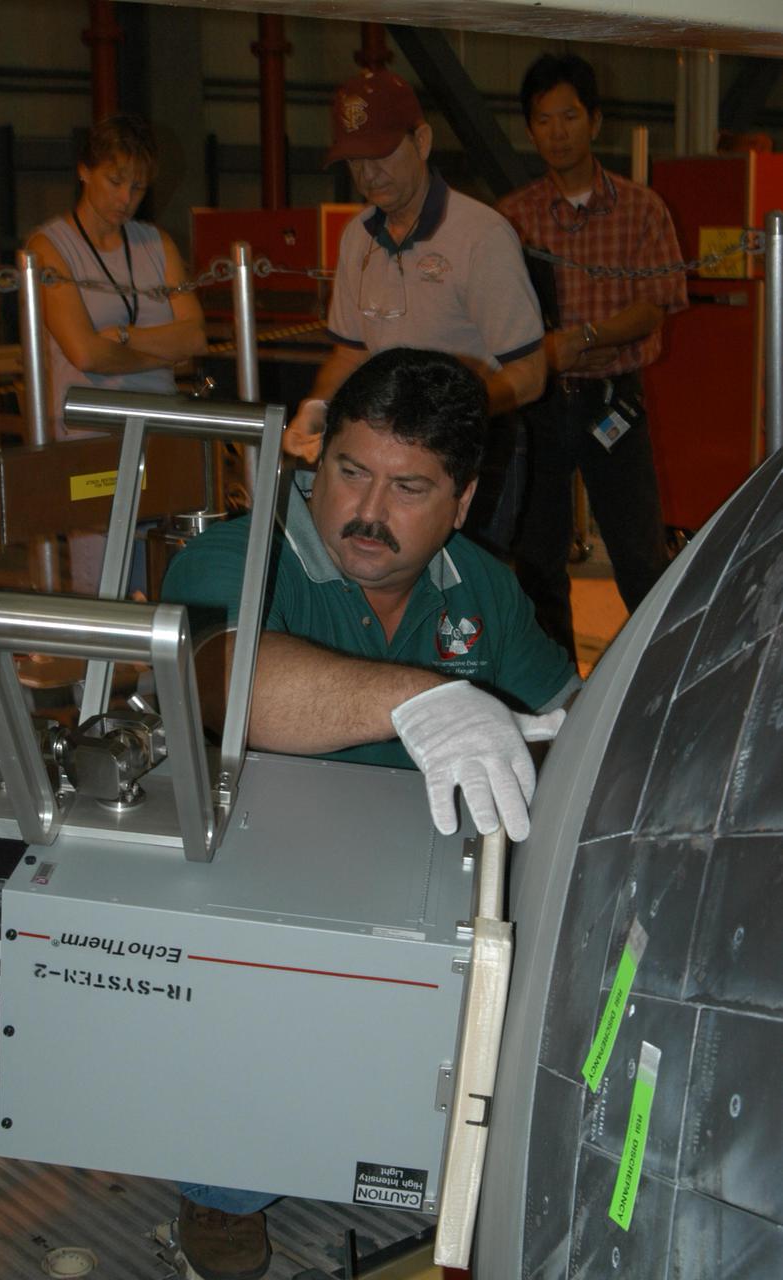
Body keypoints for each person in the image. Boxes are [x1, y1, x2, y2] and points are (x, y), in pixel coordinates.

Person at [161, 347, 579, 1280]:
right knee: (256, 1039)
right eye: (350, 472)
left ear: (463, 501)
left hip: (423, 875)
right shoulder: (240, 553)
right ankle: (217, 1188)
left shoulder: (482, 588)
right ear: (318, 462)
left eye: (410, 487)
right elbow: (224, 679)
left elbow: (564, 714)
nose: (369, 514)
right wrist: (416, 700)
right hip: (263, 883)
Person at [282, 68, 546, 550]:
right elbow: (350, 354)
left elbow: (529, 372)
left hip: (475, 453)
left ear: (422, 141)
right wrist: (319, 409)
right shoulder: (356, 236)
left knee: (469, 601)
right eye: (355, 161)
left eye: (381, 154)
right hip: (389, 456)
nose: (368, 173)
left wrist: (446, 418)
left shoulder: (481, 237)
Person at [499, 53, 688, 662]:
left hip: (614, 402)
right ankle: (555, 689)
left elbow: (653, 306)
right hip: (540, 406)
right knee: (537, 556)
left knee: (638, 553)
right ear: (531, 131)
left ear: (595, 121)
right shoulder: (512, 218)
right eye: (544, 120)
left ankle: (658, 675)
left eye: (570, 116)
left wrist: (577, 340)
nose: (558, 132)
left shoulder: (642, 208)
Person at [26, 113, 207, 592]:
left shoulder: (156, 244)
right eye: (116, 180)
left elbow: (194, 338)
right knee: (102, 587)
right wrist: (160, 349)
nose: (125, 199)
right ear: (84, 170)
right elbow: (85, 354)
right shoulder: (49, 247)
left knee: (162, 582)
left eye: (139, 187)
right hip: (92, 438)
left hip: (159, 434)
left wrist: (124, 338)